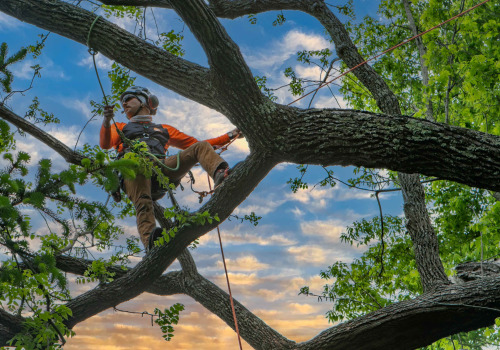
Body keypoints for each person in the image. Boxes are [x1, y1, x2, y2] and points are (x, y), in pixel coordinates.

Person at [100, 86, 241, 251]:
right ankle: (152, 243)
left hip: (161, 168)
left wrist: (231, 135)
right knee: (143, 203)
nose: (124, 104)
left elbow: (202, 145)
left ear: (145, 101)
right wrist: (106, 121)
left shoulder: (164, 129)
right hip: (134, 171)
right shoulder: (121, 127)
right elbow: (105, 144)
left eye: (128, 98)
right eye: (123, 101)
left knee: (199, 147)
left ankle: (220, 173)